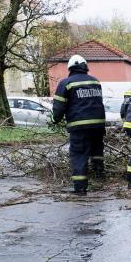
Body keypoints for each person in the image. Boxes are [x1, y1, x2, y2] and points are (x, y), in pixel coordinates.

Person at [52, 55, 106, 195]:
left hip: (79, 126)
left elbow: (58, 107)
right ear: (85, 67)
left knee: (79, 155)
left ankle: (80, 187)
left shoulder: (66, 83)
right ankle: (100, 176)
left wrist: (55, 119)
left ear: (70, 68)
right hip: (98, 125)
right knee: (97, 150)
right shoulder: (95, 81)